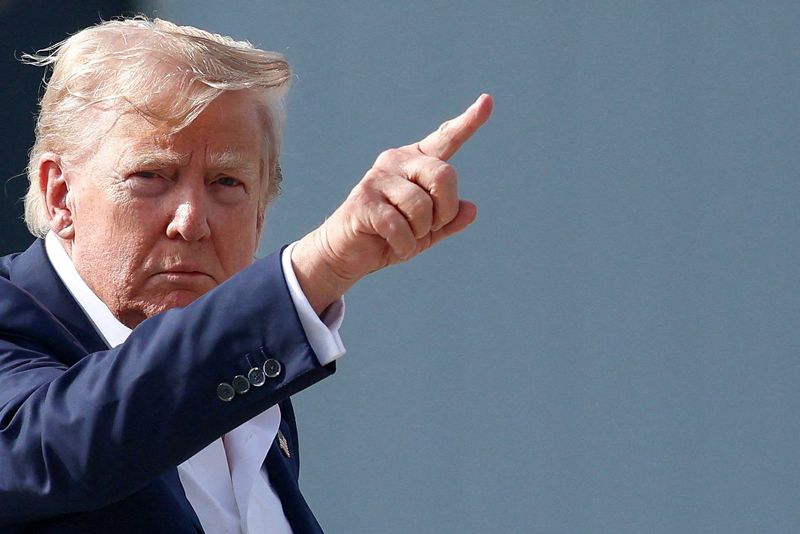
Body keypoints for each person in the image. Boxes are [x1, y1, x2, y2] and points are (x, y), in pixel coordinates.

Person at [0, 17, 492, 534]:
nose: (191, 221)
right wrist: (319, 265)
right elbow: (59, 449)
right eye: (151, 176)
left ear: (260, 213)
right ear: (60, 195)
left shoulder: (248, 382)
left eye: (226, 182)